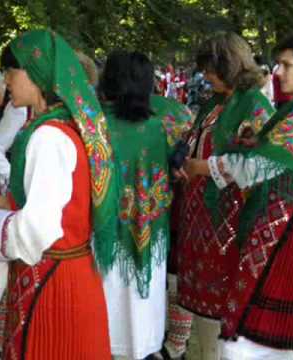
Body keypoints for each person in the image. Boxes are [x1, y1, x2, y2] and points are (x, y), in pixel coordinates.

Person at [186, 33, 293, 360]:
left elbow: (257, 169)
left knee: (247, 342)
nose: (277, 73)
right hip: (289, 227)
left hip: (290, 233)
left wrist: (204, 166)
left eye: (286, 65)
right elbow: (270, 158)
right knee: (282, 342)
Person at [0, 29, 114, 360]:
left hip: (54, 287)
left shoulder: (48, 138)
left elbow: (37, 231)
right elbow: (61, 207)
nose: (6, 80)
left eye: (13, 71)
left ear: (38, 74)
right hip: (65, 276)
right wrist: (7, 204)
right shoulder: (59, 127)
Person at [173, 32, 274, 359]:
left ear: (229, 66)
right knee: (204, 318)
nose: (205, 76)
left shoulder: (255, 105)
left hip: (229, 225)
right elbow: (193, 141)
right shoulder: (214, 103)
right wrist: (182, 162)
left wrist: (205, 167)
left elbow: (258, 163)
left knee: (225, 317)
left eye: (210, 70)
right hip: (201, 223)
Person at [98, 50, 192, 360]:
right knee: (140, 322)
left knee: (104, 321)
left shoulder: (93, 129)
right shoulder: (160, 127)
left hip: (103, 242)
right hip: (147, 242)